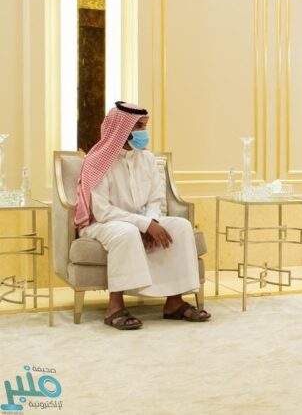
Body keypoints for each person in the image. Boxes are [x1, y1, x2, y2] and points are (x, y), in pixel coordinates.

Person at [74, 101, 211, 329]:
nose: (143, 132)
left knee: (181, 226)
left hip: (142, 218)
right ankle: (114, 307)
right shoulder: (97, 162)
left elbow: (155, 199)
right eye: (138, 126)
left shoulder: (147, 159)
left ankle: (174, 303)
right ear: (121, 129)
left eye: (144, 126)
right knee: (126, 232)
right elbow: (103, 211)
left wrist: (152, 221)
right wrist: (145, 225)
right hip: (104, 223)